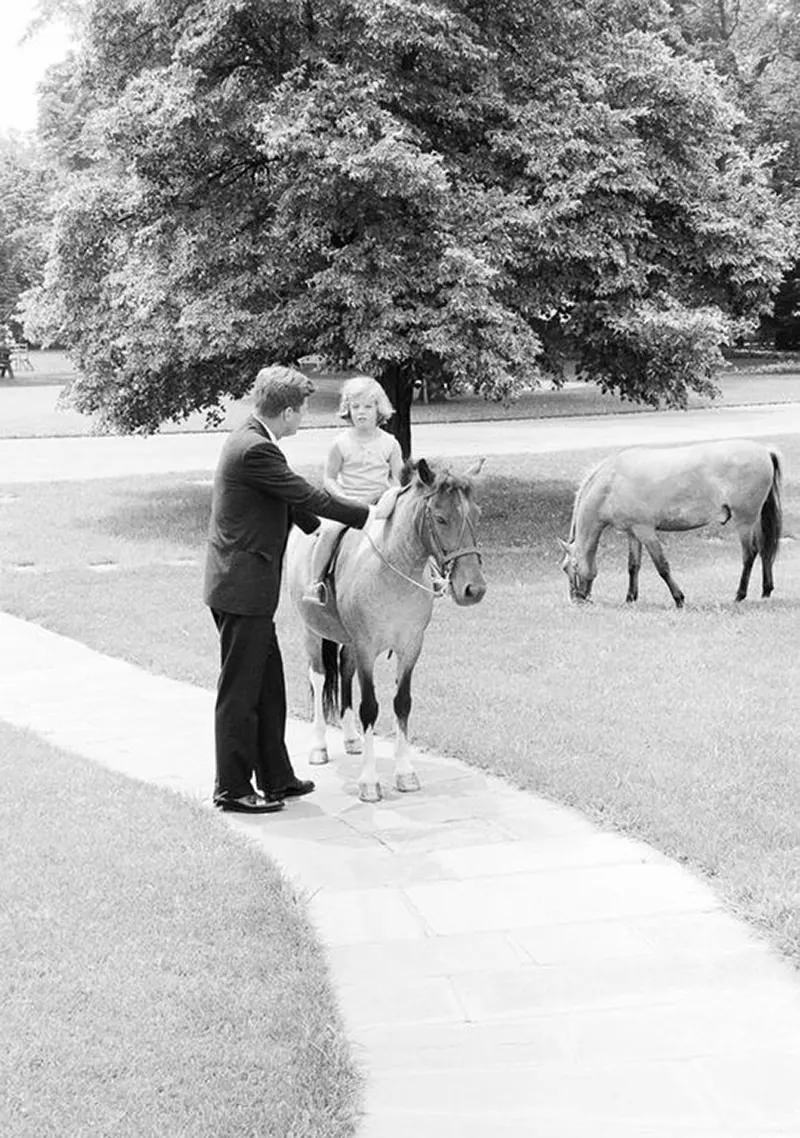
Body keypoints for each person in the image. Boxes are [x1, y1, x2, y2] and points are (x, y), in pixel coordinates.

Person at [203, 364, 370, 814]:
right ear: (289, 411)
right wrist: (369, 517)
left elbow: (292, 504)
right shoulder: (256, 449)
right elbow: (305, 494)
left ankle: (276, 777)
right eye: (302, 412)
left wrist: (319, 528)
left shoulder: (253, 439)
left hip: (245, 586)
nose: (304, 419)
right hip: (242, 588)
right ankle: (233, 788)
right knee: (240, 692)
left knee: (269, 686)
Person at [303, 375, 403, 605]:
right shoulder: (340, 443)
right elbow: (329, 478)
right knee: (328, 532)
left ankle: (434, 575)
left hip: (381, 502)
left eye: (368, 406)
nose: (361, 412)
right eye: (355, 406)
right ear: (347, 409)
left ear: (380, 409)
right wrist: (342, 497)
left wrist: (391, 494)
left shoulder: (390, 443)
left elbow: (398, 479)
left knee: (410, 526)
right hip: (349, 503)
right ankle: (315, 582)